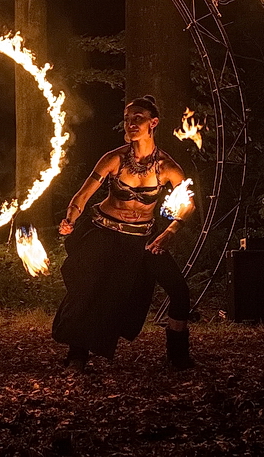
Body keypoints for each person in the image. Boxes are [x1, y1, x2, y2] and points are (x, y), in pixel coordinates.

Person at [51, 94, 196, 371]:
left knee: (179, 290)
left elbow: (188, 202)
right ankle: (77, 355)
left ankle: (178, 355)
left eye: (138, 118)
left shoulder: (166, 167)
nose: (131, 124)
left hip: (143, 240)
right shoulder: (114, 159)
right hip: (104, 234)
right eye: (128, 119)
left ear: (153, 123)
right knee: (87, 290)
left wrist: (171, 231)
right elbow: (82, 196)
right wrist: (70, 218)